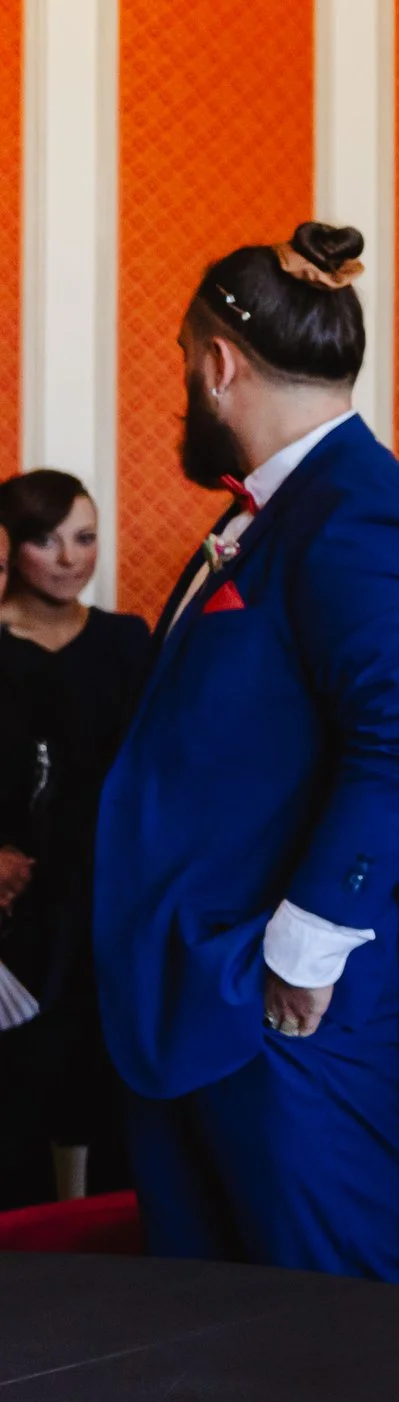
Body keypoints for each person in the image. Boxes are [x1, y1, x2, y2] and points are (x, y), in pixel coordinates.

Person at [95, 222, 399, 1280]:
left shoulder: (359, 511)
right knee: (215, 1315)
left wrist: (304, 949)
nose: (184, 388)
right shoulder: (283, 509)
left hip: (293, 999)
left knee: (329, 1318)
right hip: (206, 983)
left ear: (218, 364)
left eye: (183, 361)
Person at [0, 472, 149, 1207]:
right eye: (45, 539)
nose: (69, 558)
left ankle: (122, 1255)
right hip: (14, 902)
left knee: (115, 1087)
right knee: (17, 1101)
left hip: (110, 894)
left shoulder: (126, 642)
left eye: (85, 537)